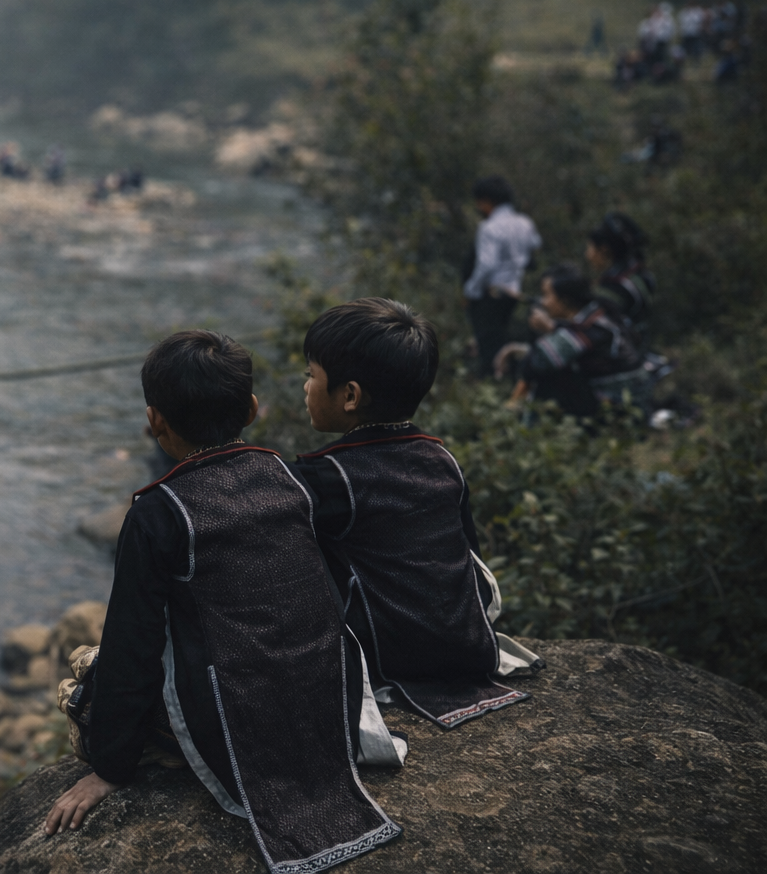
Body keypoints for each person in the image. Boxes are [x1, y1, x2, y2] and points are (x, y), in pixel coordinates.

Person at [46, 331, 401, 870]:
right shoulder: (292, 479)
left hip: (238, 728)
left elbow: (133, 644)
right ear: (252, 409)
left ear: (155, 421)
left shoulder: (157, 513)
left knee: (87, 690)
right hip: (326, 705)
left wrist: (109, 768)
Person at [290, 299, 540, 732]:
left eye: (311, 376)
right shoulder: (441, 458)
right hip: (464, 646)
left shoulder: (326, 477)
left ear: (349, 396)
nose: (305, 387)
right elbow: (469, 561)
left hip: (392, 657)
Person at [498, 264, 646, 419]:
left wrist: (544, 331)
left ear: (565, 300)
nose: (543, 302)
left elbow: (539, 361)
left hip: (619, 407)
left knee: (551, 377)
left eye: (547, 295)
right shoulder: (596, 312)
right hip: (622, 398)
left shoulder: (589, 327)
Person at [462, 176, 541, 376]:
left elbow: (487, 264)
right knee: (503, 334)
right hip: (514, 291)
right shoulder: (524, 223)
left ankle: (494, 377)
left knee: (488, 341)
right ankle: (509, 374)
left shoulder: (489, 227)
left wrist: (471, 290)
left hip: (492, 293)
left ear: (487, 201)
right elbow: (535, 245)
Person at [585, 212, 656, 350]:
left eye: (589, 248)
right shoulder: (640, 275)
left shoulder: (615, 287)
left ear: (603, 249)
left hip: (623, 353)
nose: (587, 255)